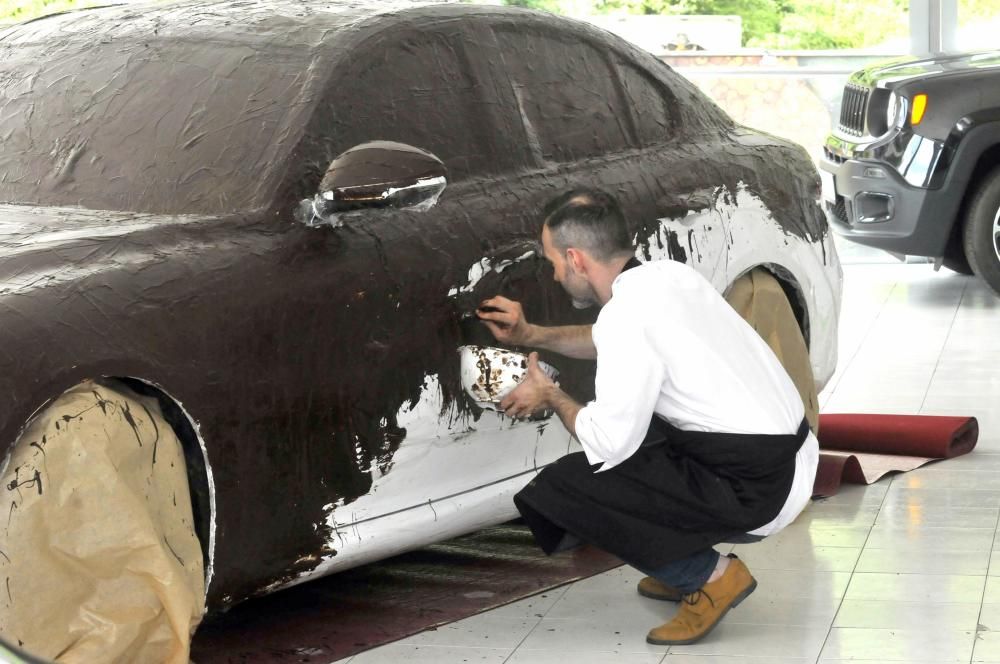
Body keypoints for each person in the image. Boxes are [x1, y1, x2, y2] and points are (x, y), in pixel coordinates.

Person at [476, 188, 818, 646]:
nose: (554, 275)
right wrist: (530, 334)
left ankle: (708, 575)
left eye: (553, 262)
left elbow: (607, 442)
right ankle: (681, 559)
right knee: (649, 436)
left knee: (568, 486)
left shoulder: (627, 317)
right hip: (791, 457)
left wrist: (551, 395)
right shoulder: (668, 277)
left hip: (757, 486)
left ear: (576, 259)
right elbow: (608, 336)